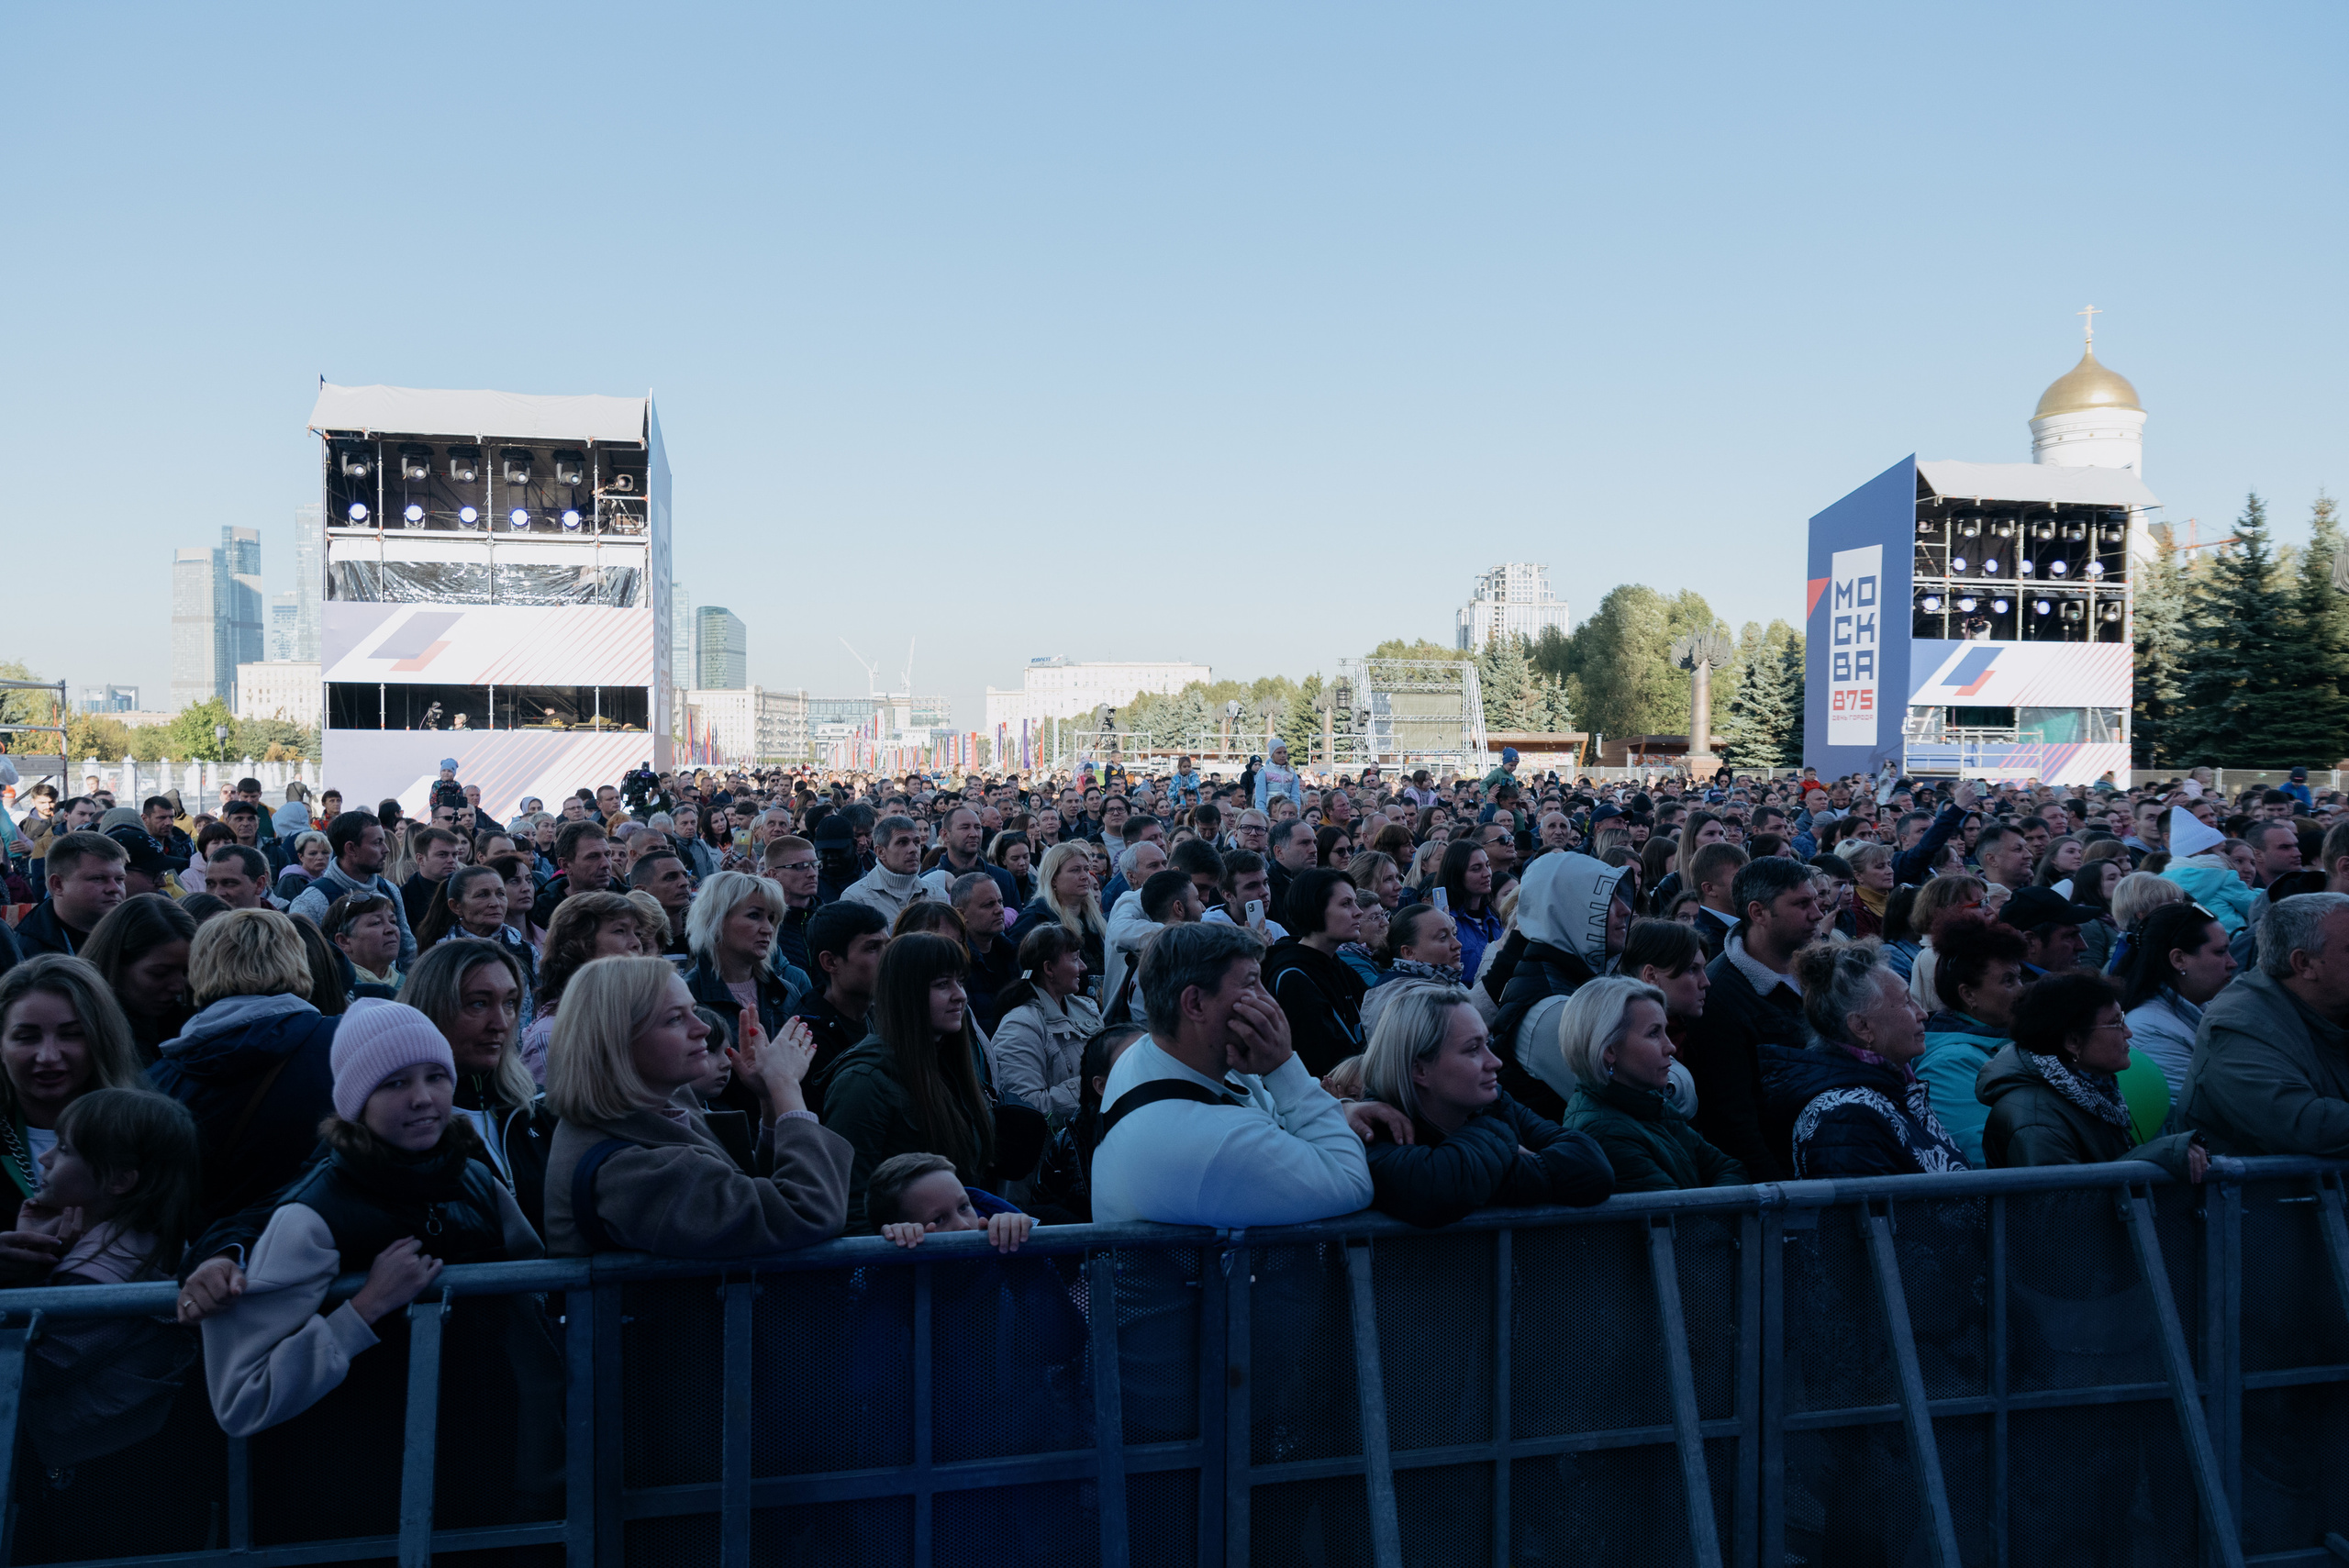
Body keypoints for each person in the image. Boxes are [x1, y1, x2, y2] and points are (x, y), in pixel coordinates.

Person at [188, 999, 562, 1540]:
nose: (422, 1098)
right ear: (356, 1102)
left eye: (436, 1076)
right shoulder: (311, 1215)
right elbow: (243, 1396)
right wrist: (362, 1310)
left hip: (481, 1478)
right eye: (393, 1084)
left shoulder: (477, 1182)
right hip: (353, 1498)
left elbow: (535, 1302)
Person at [0, 1087, 206, 1560]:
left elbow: (30, 1370)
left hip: (94, 1479)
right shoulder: (143, 1246)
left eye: (66, 1148)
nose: (47, 1158)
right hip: (130, 1466)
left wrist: (28, 1275)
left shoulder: (95, 1273)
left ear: (119, 1180)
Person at [541, 956, 852, 1254]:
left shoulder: (664, 1102)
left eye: (694, 1010)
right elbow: (806, 1211)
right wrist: (786, 1086)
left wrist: (770, 1100)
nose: (702, 1028)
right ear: (615, 1041)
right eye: (676, 1019)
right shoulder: (627, 1170)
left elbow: (744, 1187)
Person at [1089, 921, 1376, 1227]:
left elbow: (1274, 1116)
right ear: (1195, 1004)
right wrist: (1282, 1067)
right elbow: (1352, 1181)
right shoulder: (1216, 1143)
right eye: (1252, 983)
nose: (1268, 999)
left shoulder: (1152, 1054)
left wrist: (1343, 1108)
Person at [1357, 982, 1612, 1227]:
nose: (1495, 1062)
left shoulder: (1497, 1103)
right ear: (1419, 1069)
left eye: (1487, 1044)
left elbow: (1591, 1166)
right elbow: (1434, 1189)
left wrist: (1479, 1174)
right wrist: (1500, 1139)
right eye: (1472, 1049)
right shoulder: (1373, 1133)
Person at [146, 910, 342, 1227]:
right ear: (296, 959)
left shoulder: (156, 1082)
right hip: (331, 1248)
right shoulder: (348, 1043)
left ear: (200, 968)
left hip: (208, 1260)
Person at [813, 933, 999, 1226]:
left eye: (960, 982)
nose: (960, 995)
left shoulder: (951, 1064)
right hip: (906, 1262)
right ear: (905, 994)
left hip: (958, 1252)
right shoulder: (863, 1082)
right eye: (942, 984)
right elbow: (850, 1207)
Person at [1764, 939, 1965, 1177]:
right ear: (1861, 1026)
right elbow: (1869, 1213)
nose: (1922, 1014)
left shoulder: (1892, 1088)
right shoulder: (1845, 1119)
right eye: (1906, 1003)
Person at [1977, 971, 2205, 1179]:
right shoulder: (2036, 1122)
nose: (2128, 1032)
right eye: (2115, 1023)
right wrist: (2154, 1156)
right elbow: (2066, 1212)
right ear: (2073, 1041)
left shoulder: (2087, 1089)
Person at [399, 940, 557, 1232]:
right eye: (479, 1003)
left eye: (510, 1002)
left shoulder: (540, 1107)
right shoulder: (398, 1122)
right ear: (430, 1008)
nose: (500, 1023)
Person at [2176, 893, 2349, 1157]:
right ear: (2303, 964)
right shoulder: (2238, 1023)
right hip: (2254, 1196)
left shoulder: (2334, 1002)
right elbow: (2303, 1124)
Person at [1682, 857, 1820, 1182]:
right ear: (1758, 913)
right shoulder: (1720, 996)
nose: (1817, 914)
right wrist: (1784, 1190)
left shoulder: (1824, 972)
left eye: (1815, 900)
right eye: (1802, 904)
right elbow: (1732, 1119)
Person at [0, 958, 151, 1251]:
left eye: (71, 1034)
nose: (48, 1056)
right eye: (27, 1037)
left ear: (101, 1039)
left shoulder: (146, 1134)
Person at [1548, 977, 1745, 1192]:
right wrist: (1729, 1211)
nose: (1670, 1047)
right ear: (1610, 1050)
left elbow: (1729, 1168)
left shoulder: (1651, 1102)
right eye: (1653, 1033)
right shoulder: (1606, 1133)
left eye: (1665, 1031)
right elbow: (1682, 1220)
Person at [1486, 852, 1634, 1118]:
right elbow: (1627, 1100)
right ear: (1571, 909)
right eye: (1608, 899)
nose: (1625, 910)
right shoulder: (1551, 1011)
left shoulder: (1573, 976)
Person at [1912, 915, 2028, 1167]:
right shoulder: (1949, 1064)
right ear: (1968, 994)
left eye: (2020, 978)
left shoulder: (2013, 1043)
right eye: (2009, 980)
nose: (2022, 990)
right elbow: (1985, 1158)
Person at [683, 871, 808, 1098]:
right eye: (754, 916)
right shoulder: (686, 996)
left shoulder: (787, 992)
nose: (768, 928)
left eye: (771, 918)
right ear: (716, 919)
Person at [513, 891, 648, 1084]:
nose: (636, 943)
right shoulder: (554, 1036)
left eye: (638, 933)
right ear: (581, 943)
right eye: (620, 931)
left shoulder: (639, 1014)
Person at [986, 925, 1104, 1122]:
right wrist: (1096, 1083)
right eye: (1075, 959)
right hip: (1057, 1149)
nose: (1083, 967)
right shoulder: (1020, 1026)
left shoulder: (1087, 1008)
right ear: (1049, 968)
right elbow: (1026, 1107)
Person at [1030, 1025, 1146, 1223]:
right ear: (1101, 1086)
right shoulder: (1069, 1142)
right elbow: (1041, 1210)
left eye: (1153, 1059)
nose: (1148, 1069)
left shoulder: (1173, 1124)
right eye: (1134, 1062)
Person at [2121, 902, 2237, 1098]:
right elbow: (2207, 1107)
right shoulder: (2153, 1032)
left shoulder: (2201, 1004)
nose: (2232, 963)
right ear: (2179, 959)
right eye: (2219, 952)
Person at [287, 811, 417, 970]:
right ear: (351, 848)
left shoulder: (389, 890)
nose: (386, 849)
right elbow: (300, 964)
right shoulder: (311, 901)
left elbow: (408, 952)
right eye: (377, 843)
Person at [80, 894, 196, 1062]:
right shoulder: (83, 1036)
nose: (179, 986)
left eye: (186, 972)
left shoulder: (182, 1024)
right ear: (116, 963)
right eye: (160, 974)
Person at [415, 862, 539, 1016]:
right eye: (483, 895)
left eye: (500, 894)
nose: (495, 903)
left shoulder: (526, 950)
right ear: (456, 906)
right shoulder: (441, 957)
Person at [1008, 840, 1108, 994]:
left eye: (1086, 869)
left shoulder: (1093, 917)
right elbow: (1018, 973)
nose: (1085, 877)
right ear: (1053, 878)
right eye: (1075, 870)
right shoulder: (1034, 919)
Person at [16, 832, 128, 959]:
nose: (115, 888)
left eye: (119, 879)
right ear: (58, 885)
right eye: (98, 878)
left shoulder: (138, 933)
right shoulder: (26, 954)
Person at [1437, 839, 1506, 985]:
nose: (1487, 873)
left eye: (1488, 865)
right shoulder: (1445, 922)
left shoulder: (1496, 919)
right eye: (1476, 868)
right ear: (1456, 874)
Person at [843, 814, 932, 923]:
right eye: (902, 842)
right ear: (880, 852)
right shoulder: (857, 899)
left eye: (916, 842)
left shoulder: (937, 895)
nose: (913, 849)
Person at [320, 892, 403, 999]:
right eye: (376, 923)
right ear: (344, 941)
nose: (391, 929)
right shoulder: (334, 994)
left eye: (393, 921)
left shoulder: (413, 985)